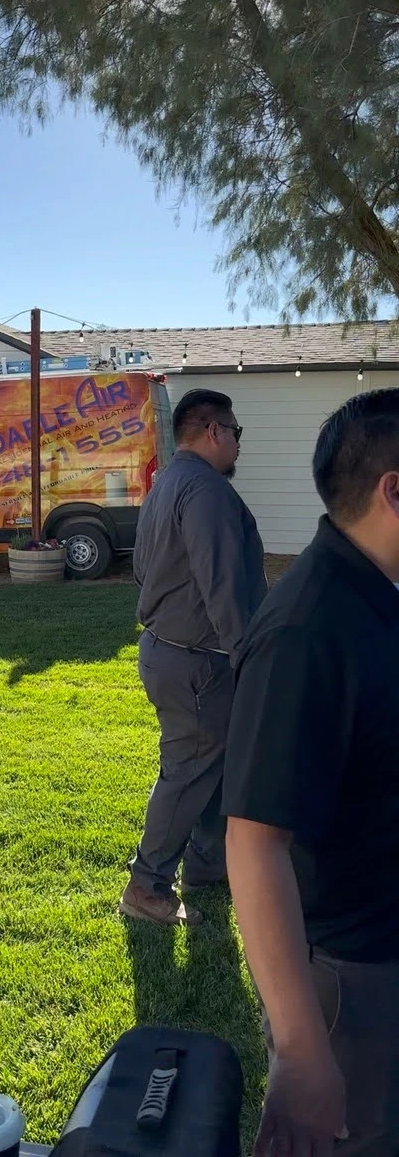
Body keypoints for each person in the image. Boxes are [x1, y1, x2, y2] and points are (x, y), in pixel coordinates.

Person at [223, 388, 399, 1156]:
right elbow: (253, 844)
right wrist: (299, 1050)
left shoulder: (376, 589)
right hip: (348, 983)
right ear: (394, 490)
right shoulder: (306, 628)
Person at [120, 388, 267, 927]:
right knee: (186, 773)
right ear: (213, 432)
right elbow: (224, 588)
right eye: (236, 433)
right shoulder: (204, 491)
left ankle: (207, 865)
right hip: (199, 663)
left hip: (171, 651)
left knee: (212, 766)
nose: (237, 445)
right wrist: (253, 662)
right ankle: (147, 885)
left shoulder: (166, 484)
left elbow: (143, 569)